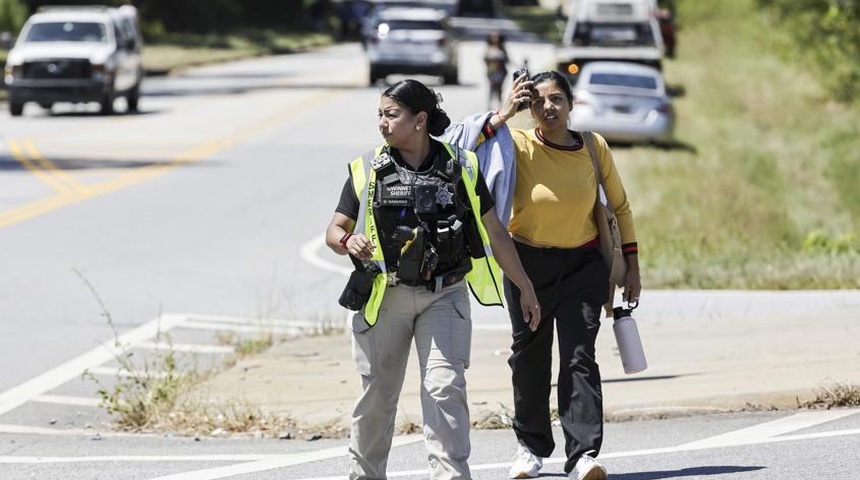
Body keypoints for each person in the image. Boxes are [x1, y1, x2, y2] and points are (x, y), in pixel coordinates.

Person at [325, 79, 541, 480]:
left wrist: (525, 287)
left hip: (445, 297)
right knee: (377, 398)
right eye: (380, 115)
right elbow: (334, 230)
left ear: (420, 120)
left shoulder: (462, 165)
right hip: (385, 298)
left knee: (445, 389)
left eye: (391, 115)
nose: (382, 124)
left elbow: (496, 233)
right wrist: (348, 240)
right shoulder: (367, 169)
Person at [481, 71, 642, 480]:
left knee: (579, 356)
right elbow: (464, 147)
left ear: (571, 105)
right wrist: (504, 112)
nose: (547, 108)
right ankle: (529, 449)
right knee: (529, 355)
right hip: (526, 268)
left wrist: (632, 265)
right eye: (537, 102)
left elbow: (620, 207)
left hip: (583, 266)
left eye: (556, 99)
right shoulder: (515, 142)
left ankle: (583, 454)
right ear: (528, 107)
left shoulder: (593, 146)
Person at [483, 32, 510, 110]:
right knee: (491, 88)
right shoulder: (489, 48)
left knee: (500, 89)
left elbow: (507, 59)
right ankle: (489, 106)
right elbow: (485, 59)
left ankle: (500, 105)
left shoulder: (502, 48)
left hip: (501, 72)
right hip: (492, 72)